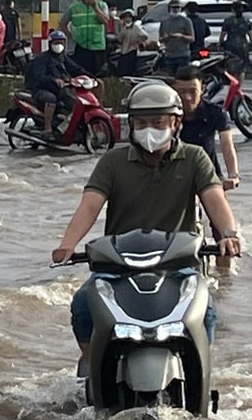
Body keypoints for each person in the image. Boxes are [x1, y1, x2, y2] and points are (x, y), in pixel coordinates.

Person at [51, 79, 242, 359]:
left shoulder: (194, 158)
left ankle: (200, 371)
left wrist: (228, 234)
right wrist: (67, 245)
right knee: (82, 305)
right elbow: (89, 207)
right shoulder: (113, 162)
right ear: (132, 125)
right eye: (141, 123)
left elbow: (215, 199)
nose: (149, 129)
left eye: (157, 122)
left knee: (206, 314)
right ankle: (93, 367)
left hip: (179, 266)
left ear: (175, 124)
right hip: (118, 266)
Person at [173, 68, 239, 188]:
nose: (187, 97)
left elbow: (227, 145)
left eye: (193, 91)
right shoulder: (167, 114)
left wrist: (233, 175)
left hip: (208, 173)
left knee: (218, 204)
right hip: (175, 175)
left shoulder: (215, 112)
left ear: (202, 89)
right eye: (181, 92)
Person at [24, 29, 78, 137]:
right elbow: (39, 76)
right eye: (56, 43)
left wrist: (90, 76)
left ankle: (65, 128)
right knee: (51, 99)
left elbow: (75, 68)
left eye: (61, 43)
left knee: (75, 103)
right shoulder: (42, 59)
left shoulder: (63, 58)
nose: (59, 45)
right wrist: (54, 80)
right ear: (50, 44)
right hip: (42, 90)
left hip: (58, 90)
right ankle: (47, 128)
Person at [65, 0, 112, 76]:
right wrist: (70, 35)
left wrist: (95, 7)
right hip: (81, 47)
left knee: (99, 76)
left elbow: (105, 21)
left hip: (97, 47)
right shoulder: (74, 7)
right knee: (81, 75)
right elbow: (62, 23)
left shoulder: (102, 5)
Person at [158, 0, 197, 74]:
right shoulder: (164, 21)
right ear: (169, 8)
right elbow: (160, 39)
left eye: (178, 7)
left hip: (183, 55)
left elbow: (192, 39)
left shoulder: (186, 21)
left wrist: (181, 36)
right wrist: (166, 38)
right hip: (169, 55)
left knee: (182, 79)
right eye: (174, 7)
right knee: (169, 78)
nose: (176, 9)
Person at [112, 9, 150, 77]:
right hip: (124, 51)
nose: (127, 19)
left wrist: (137, 41)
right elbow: (120, 39)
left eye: (129, 17)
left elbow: (145, 36)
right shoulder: (123, 27)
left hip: (132, 50)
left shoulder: (136, 27)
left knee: (129, 70)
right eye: (126, 17)